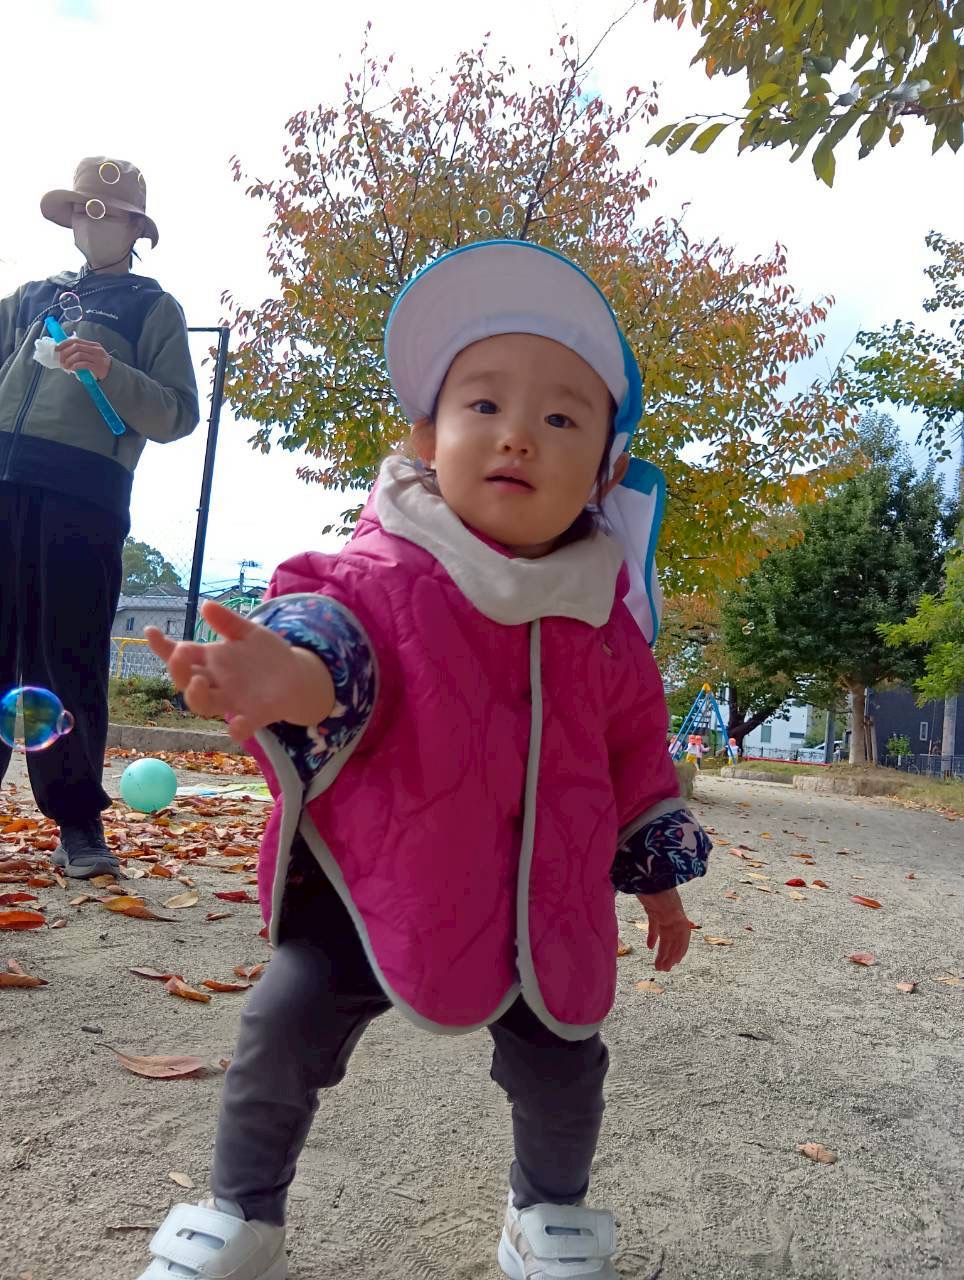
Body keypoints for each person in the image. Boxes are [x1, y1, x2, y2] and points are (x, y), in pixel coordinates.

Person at [140, 240, 712, 1280]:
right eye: (482, 404)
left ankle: (546, 1209)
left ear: (604, 471)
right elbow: (335, 646)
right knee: (283, 1025)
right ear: (424, 435)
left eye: (561, 419)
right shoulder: (380, 571)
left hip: (544, 894)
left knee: (565, 1062)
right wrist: (281, 676)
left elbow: (636, 756)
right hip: (382, 877)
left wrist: (658, 884)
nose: (517, 435)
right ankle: (242, 1212)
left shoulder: (604, 621)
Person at [0, 157, 199, 877]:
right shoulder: (31, 297)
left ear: (136, 228)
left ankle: (79, 826)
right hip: (3, 479)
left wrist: (113, 371)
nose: (96, 223)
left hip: (85, 495)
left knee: (69, 657)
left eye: (110, 213)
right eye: (85, 209)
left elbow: (178, 414)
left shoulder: (154, 307)